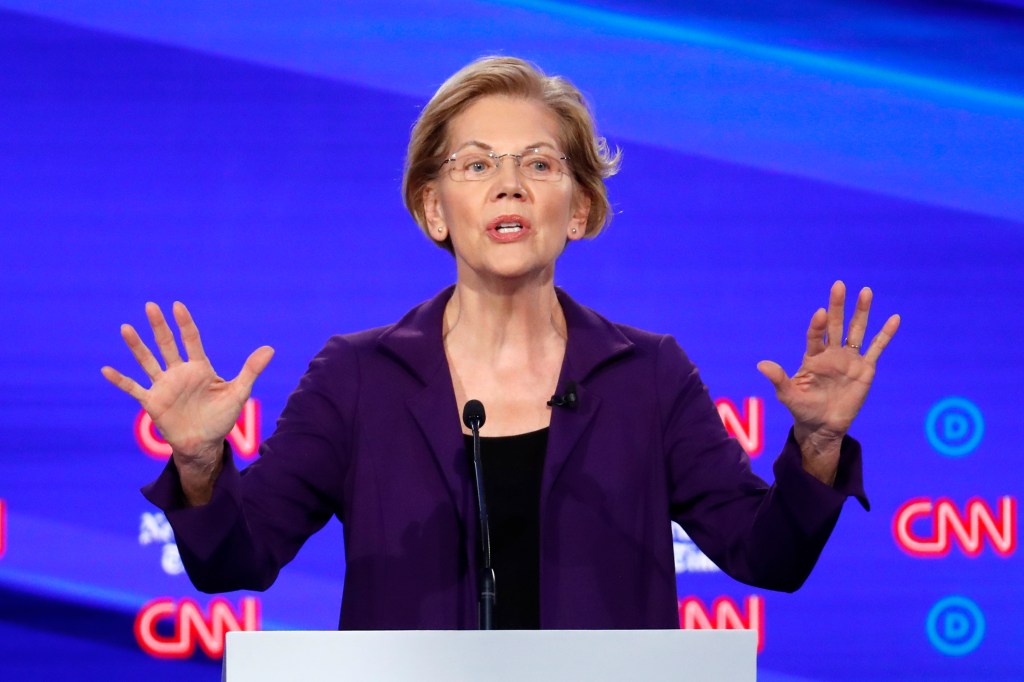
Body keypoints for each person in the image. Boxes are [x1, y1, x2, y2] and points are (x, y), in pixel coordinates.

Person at [102, 56, 900, 630]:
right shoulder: (357, 377)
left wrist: (819, 444)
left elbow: (769, 557)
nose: (508, 184)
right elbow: (236, 561)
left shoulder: (648, 375)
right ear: (434, 211)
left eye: (539, 164)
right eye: (476, 164)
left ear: (579, 211)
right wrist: (203, 467)